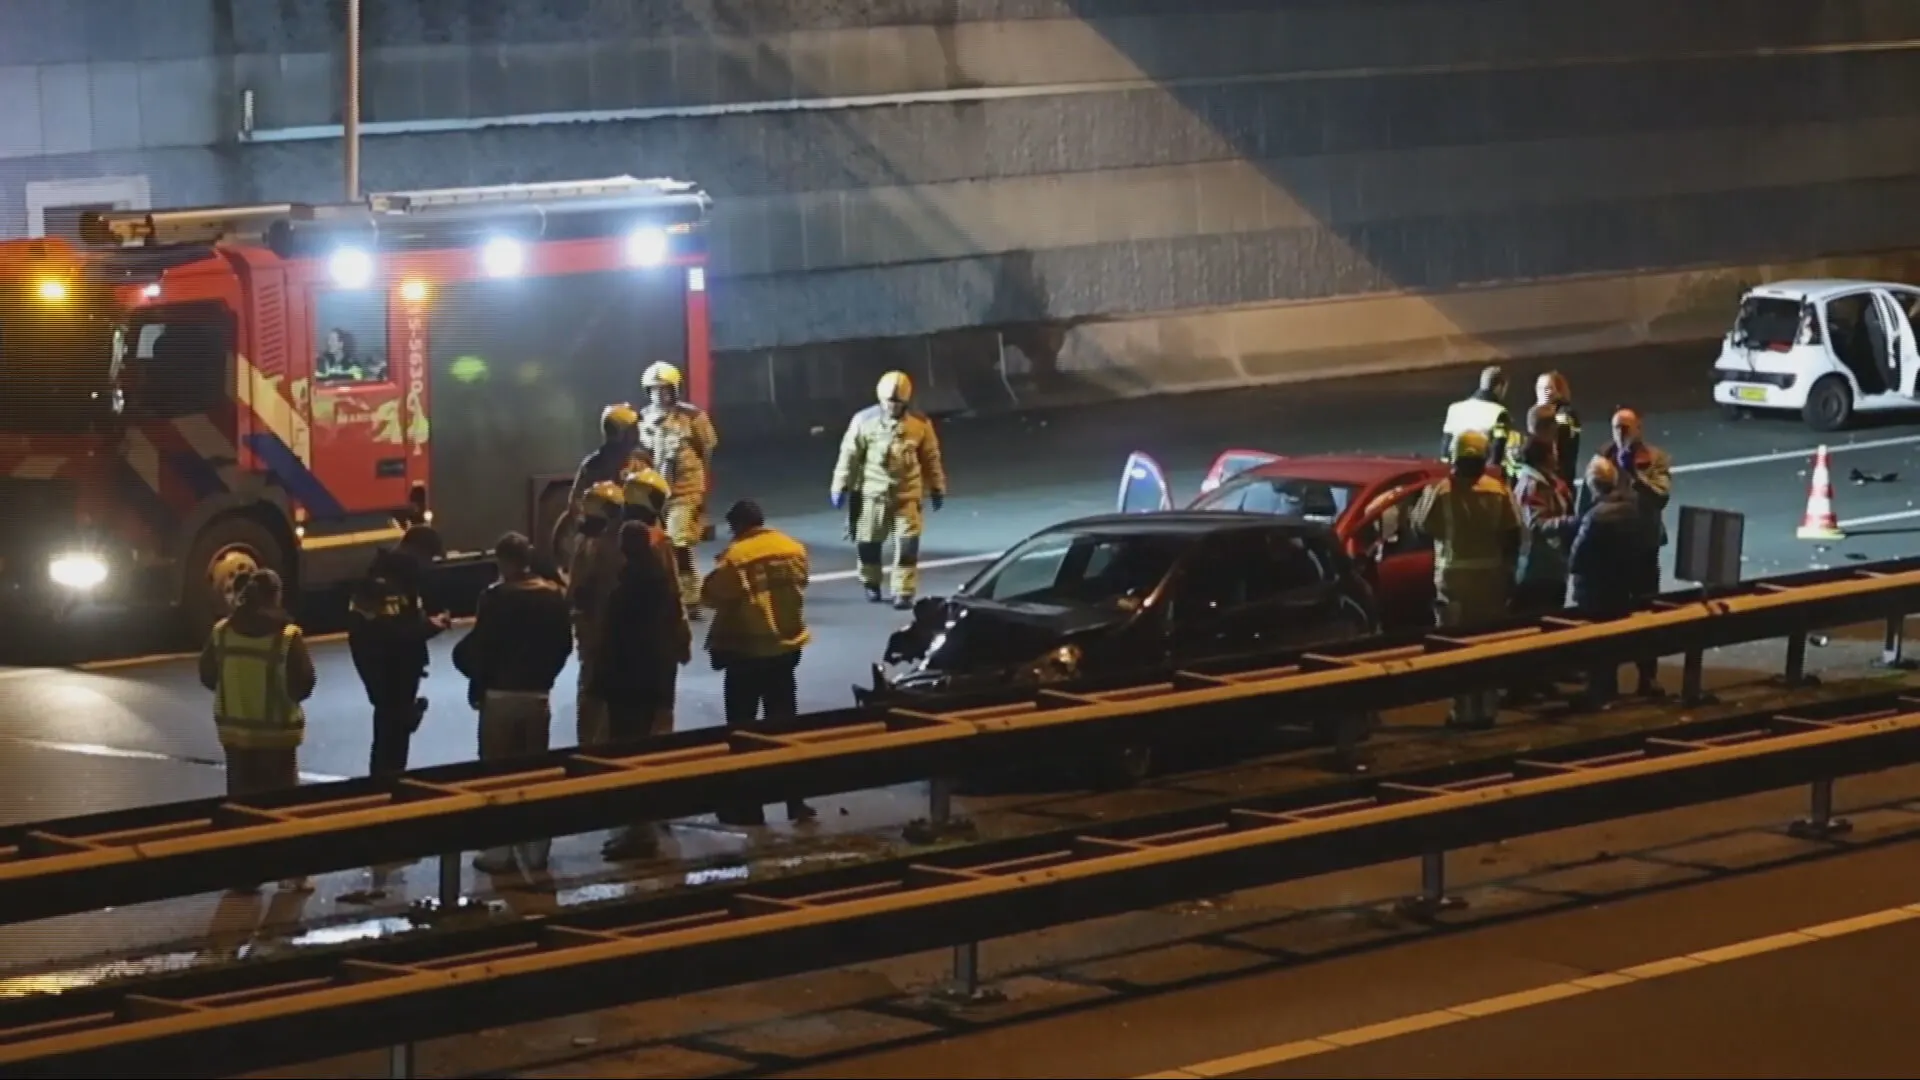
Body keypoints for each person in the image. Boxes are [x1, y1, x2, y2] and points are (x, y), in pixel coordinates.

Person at [451, 533, 573, 876]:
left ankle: (499, 849)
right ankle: (535, 847)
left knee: (497, 774)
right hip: (537, 695)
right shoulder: (554, 596)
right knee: (534, 772)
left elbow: (481, 649)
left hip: (501, 696)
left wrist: (475, 679)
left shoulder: (494, 598)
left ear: (503, 561)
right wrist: (545, 677)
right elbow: (564, 645)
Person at [197, 568, 316, 892]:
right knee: (283, 808)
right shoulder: (286, 636)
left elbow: (208, 675)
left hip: (236, 736)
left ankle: (244, 878)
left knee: (242, 807)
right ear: (276, 596)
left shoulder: (222, 631)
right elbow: (303, 683)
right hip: (277, 736)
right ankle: (291, 876)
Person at [703, 499, 816, 826]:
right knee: (784, 730)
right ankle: (795, 802)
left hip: (746, 655)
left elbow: (710, 595)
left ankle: (749, 808)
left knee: (744, 733)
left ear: (738, 526)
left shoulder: (737, 558)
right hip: (785, 651)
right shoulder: (793, 549)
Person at [1411, 429, 1522, 728]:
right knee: (1487, 647)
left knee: (1456, 649)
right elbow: (1513, 534)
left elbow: (1420, 527)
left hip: (1453, 583)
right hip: (1490, 580)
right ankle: (1487, 709)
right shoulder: (1499, 491)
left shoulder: (1442, 492)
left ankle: (1463, 711)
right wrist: (1509, 573)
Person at [592, 521, 687, 859]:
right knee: (649, 750)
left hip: (626, 684)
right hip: (654, 678)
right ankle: (644, 825)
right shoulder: (659, 583)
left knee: (628, 756)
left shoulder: (625, 590)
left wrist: (600, 680)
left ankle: (638, 833)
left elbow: (613, 641)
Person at [830, 370, 949, 608]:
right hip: (872, 496)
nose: (893, 407)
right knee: (868, 543)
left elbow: (931, 458)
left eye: (898, 402)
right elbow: (849, 456)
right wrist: (840, 486)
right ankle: (871, 583)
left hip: (907, 497)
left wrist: (937, 486)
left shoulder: (920, 424)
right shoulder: (864, 421)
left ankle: (903, 591)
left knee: (907, 545)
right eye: (889, 402)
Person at [1578, 407, 1673, 697]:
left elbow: (1661, 497)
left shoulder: (1654, 459)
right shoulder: (1601, 459)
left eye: (1627, 428)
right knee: (1610, 616)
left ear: (1639, 429)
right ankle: (1607, 681)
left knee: (1646, 611)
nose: (1621, 434)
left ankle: (1648, 675)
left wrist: (1634, 475)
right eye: (1617, 427)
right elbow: (1585, 503)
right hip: (1613, 553)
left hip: (1643, 546)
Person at [346, 525, 449, 777]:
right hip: (392, 676)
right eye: (430, 558)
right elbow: (395, 632)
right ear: (419, 552)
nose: (429, 565)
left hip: (385, 675)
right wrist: (430, 627)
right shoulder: (391, 585)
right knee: (390, 745)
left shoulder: (389, 577)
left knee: (390, 735)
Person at [1569, 458, 1661, 708]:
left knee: (1599, 645)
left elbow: (1578, 557)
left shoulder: (1595, 517)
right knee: (1617, 638)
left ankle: (1601, 693)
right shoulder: (1632, 509)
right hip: (1623, 586)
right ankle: (1627, 685)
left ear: (1592, 485)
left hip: (1597, 591)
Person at [637, 362, 720, 615]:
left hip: (685, 490)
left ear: (675, 390)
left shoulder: (692, 417)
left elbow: (706, 450)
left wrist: (703, 489)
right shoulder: (643, 419)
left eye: (665, 389)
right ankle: (668, 592)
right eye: (655, 390)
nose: (660, 395)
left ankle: (690, 596)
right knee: (657, 546)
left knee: (679, 542)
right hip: (655, 493)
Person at [1507, 434, 1577, 704]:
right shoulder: (1532, 486)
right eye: (1553, 451)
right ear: (1543, 456)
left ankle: (1542, 679)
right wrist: (1571, 522)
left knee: (1548, 626)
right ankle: (1523, 686)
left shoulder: (1546, 483)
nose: (1557, 456)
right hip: (1536, 568)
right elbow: (1536, 525)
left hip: (1551, 565)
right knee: (1533, 626)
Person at [567, 480, 627, 749]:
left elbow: (576, 589)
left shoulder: (591, 544)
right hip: (610, 631)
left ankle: (591, 744)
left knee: (592, 690)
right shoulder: (621, 541)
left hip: (595, 630)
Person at [553, 403, 644, 566]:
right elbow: (576, 506)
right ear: (619, 433)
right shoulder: (593, 466)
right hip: (603, 540)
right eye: (632, 430)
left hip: (633, 540)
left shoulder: (641, 462)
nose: (637, 434)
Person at [1441, 365, 1514, 475]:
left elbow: (1445, 446)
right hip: (1479, 470)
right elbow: (1498, 449)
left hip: (1455, 468)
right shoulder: (1500, 413)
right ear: (1499, 387)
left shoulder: (1454, 408)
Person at [1520, 371, 1582, 485]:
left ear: (1559, 390)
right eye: (1540, 388)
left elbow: (1560, 442)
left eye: (1548, 388)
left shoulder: (1565, 413)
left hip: (1560, 475)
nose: (1543, 392)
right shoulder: (1537, 412)